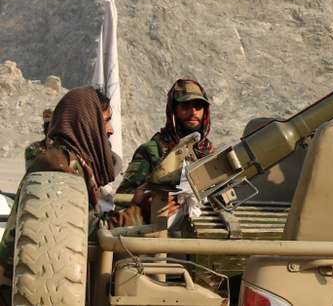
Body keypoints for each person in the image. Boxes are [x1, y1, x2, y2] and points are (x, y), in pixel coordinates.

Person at [0, 87, 121, 286]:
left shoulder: (77, 164)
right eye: (105, 121)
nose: (110, 130)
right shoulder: (59, 167)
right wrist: (139, 213)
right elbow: (88, 229)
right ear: (87, 122)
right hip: (25, 285)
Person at [117, 79, 213, 210]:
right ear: (173, 111)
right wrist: (151, 201)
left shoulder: (209, 153)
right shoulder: (152, 150)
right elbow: (122, 198)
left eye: (198, 106)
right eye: (185, 106)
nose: (193, 112)